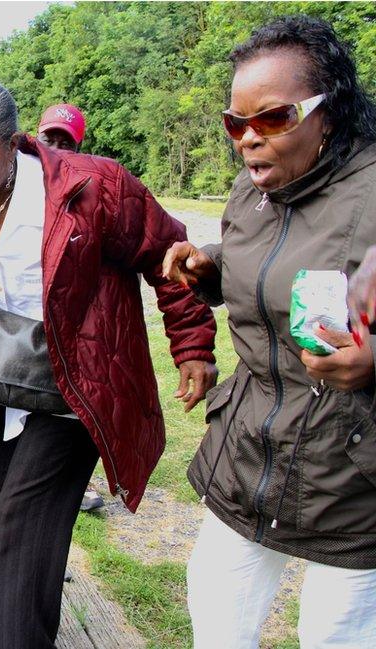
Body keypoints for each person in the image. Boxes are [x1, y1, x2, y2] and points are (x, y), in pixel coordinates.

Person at [0, 77, 218, 649]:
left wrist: (192, 344)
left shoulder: (93, 186)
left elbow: (169, 254)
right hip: (7, 378)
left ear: (13, 144)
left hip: (82, 378)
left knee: (24, 516)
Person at [162, 15, 376, 648]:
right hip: (248, 455)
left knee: (336, 637)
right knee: (218, 621)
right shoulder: (250, 192)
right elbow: (262, 269)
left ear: (328, 114)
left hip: (352, 474)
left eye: (274, 119)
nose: (247, 140)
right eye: (235, 123)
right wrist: (208, 266)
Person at [36, 102, 103, 513]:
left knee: (73, 410)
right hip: (24, 334)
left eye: (67, 141)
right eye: (50, 137)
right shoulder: (17, 190)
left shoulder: (90, 193)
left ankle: (75, 490)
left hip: (77, 330)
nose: (58, 147)